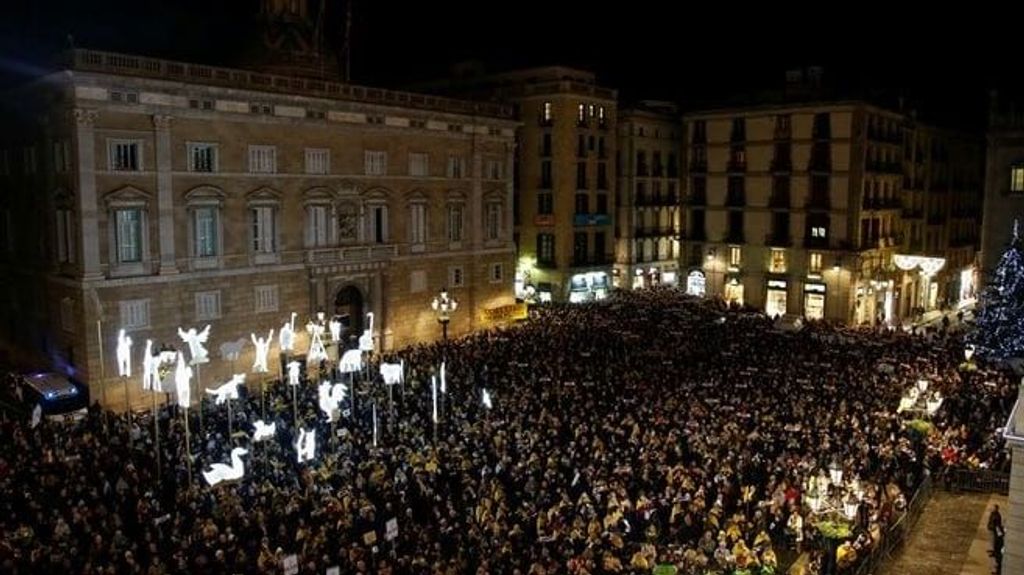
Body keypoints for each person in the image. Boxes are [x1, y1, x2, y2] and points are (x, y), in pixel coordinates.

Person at [989, 505, 1004, 574]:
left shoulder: (997, 516)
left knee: (998, 560)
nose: (992, 509)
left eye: (993, 508)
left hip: (996, 533)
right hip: (994, 532)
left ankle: (997, 572)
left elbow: (997, 526)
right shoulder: (993, 514)